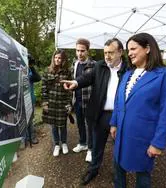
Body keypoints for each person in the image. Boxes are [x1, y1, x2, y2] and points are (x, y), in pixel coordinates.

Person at [110, 33, 166, 188]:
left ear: (147, 48)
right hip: (122, 133)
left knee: (143, 175)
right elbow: (119, 101)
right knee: (118, 169)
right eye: (128, 50)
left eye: (133, 48)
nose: (130, 53)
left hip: (144, 137)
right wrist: (114, 122)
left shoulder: (164, 75)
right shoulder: (127, 74)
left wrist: (158, 143)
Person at [61, 38, 128, 185]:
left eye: (110, 53)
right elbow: (87, 77)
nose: (107, 56)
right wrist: (76, 83)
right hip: (101, 114)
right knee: (97, 144)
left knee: (120, 146)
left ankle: (118, 175)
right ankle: (93, 169)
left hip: (120, 116)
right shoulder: (100, 66)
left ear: (120, 52)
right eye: (105, 53)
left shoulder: (129, 70)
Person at [41, 49, 72, 157]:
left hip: (62, 103)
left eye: (60, 58)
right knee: (53, 125)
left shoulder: (68, 72)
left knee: (63, 125)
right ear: (53, 58)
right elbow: (44, 88)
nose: (57, 60)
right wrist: (45, 103)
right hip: (51, 103)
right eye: (56, 57)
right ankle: (56, 145)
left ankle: (64, 143)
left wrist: (69, 103)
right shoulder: (47, 71)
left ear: (63, 59)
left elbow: (70, 90)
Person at [72, 38, 96, 162]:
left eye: (82, 51)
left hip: (89, 101)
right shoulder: (74, 64)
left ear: (87, 51)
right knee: (80, 123)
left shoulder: (94, 65)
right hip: (77, 100)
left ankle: (91, 149)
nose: (80, 53)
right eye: (77, 50)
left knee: (90, 126)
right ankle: (82, 143)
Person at [25, 54, 41, 145]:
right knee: (22, 120)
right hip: (21, 100)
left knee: (30, 119)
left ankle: (32, 137)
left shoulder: (30, 71)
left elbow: (38, 78)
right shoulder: (18, 70)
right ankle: (25, 138)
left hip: (30, 99)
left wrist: (31, 66)